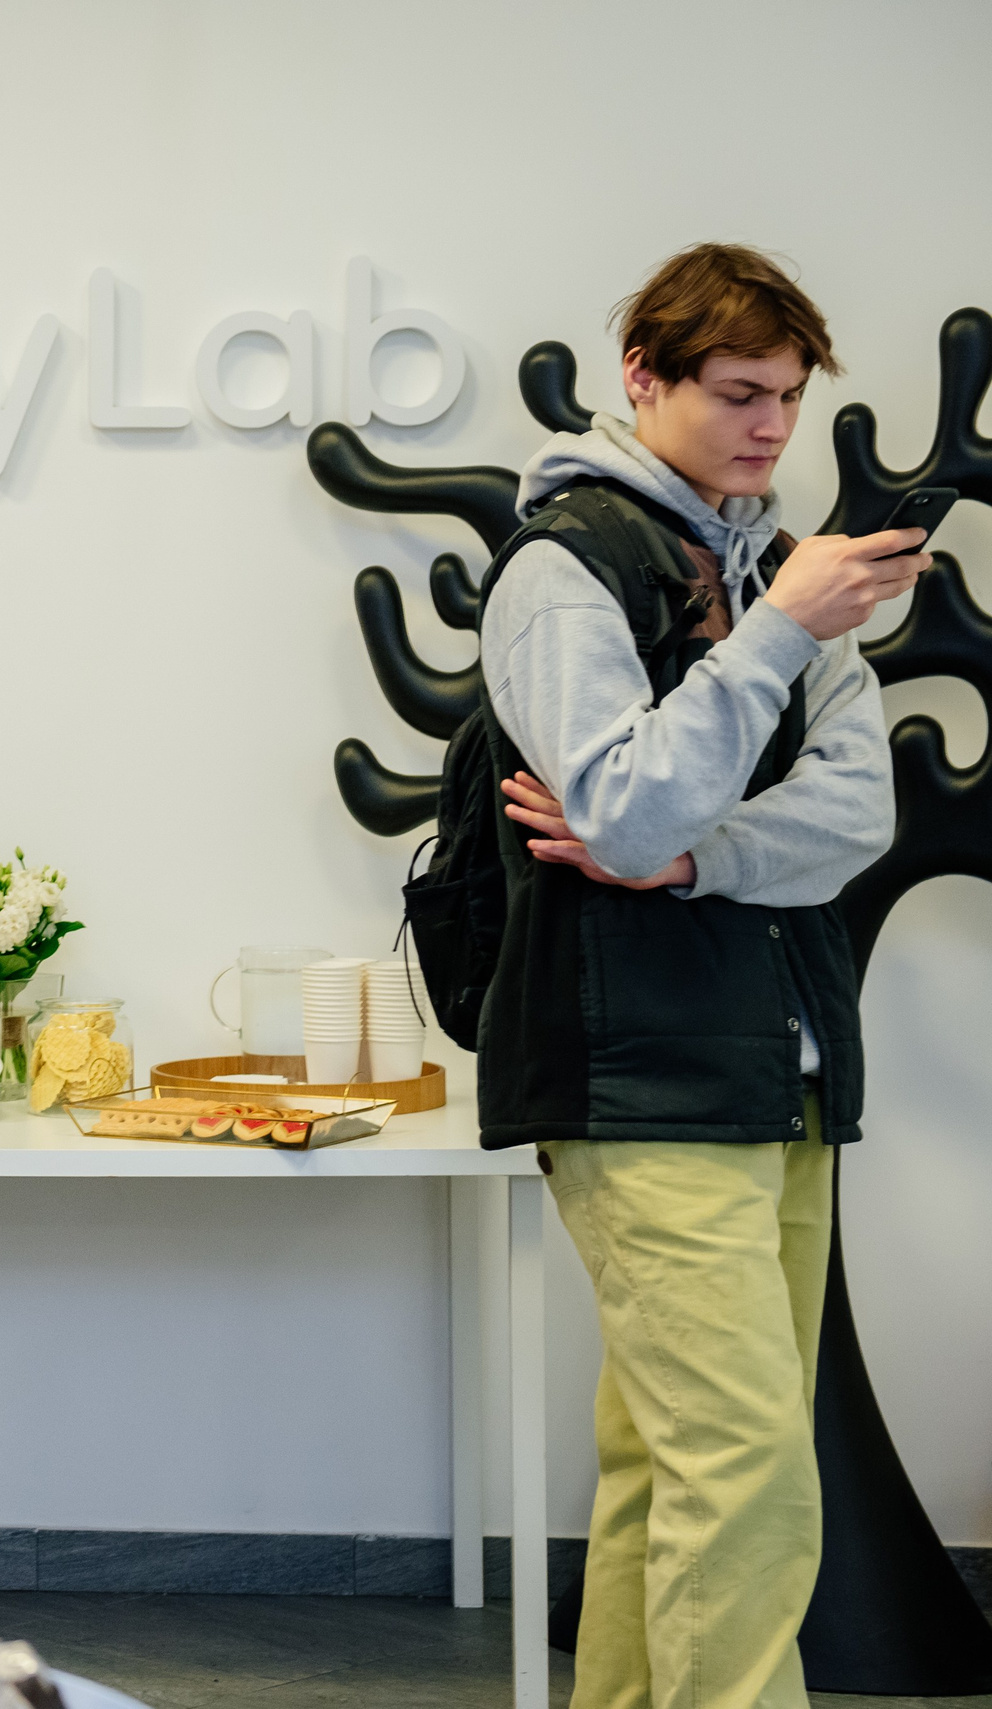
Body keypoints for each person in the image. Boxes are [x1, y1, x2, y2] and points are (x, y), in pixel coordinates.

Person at [475, 243, 917, 1709]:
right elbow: (620, 805)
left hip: (777, 1067)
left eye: (790, 395)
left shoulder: (765, 562)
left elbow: (860, 814)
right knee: (746, 1473)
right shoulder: (563, 571)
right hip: (637, 1069)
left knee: (675, 1463)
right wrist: (781, 634)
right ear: (642, 379)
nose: (773, 427)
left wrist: (691, 862)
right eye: (740, 391)